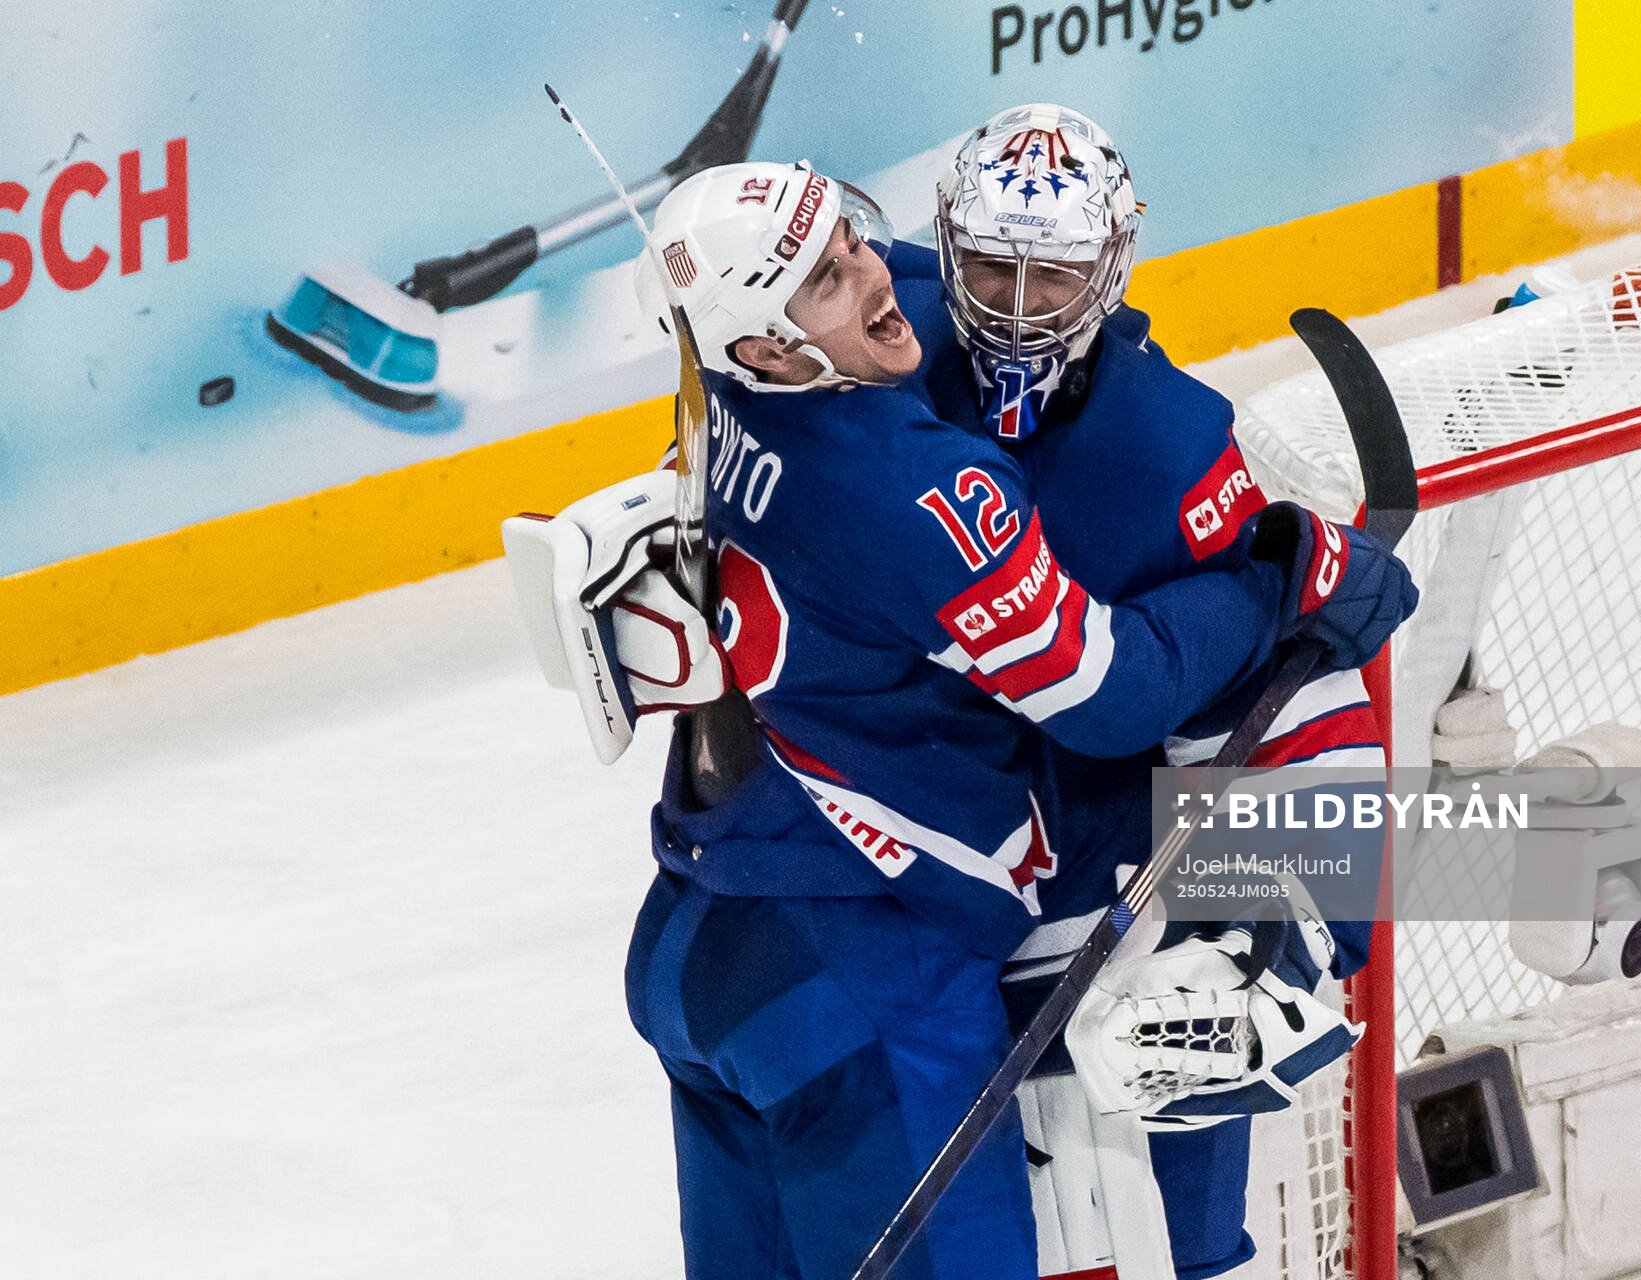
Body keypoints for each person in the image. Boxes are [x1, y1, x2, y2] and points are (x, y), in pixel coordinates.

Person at [508, 159, 1405, 1280]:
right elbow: (1111, 694)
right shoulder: (907, 489)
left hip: (708, 938)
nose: (876, 279)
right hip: (861, 983)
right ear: (771, 349)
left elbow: (916, 292)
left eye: (853, 242)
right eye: (828, 283)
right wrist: (1283, 576)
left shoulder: (722, 388)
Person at [886, 103, 1411, 1280]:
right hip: (929, 889)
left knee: (1175, 1231)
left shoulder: (1167, 450)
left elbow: (1294, 691)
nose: (1017, 307)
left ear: (1113, 264)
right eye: (990, 267)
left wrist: (1299, 930)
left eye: (1055, 275)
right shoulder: (885, 342)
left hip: (1116, 899)